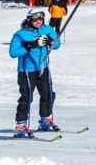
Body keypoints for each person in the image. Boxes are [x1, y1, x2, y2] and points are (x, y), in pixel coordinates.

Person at [8, 10, 61, 138]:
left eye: (41, 19)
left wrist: (50, 41)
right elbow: (13, 52)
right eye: (35, 19)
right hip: (27, 70)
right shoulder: (20, 34)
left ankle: (45, 120)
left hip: (43, 68)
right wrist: (30, 45)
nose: (38, 22)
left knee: (48, 94)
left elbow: (57, 44)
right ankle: (21, 126)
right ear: (29, 20)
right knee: (27, 97)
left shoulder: (47, 30)